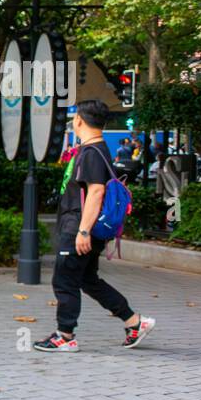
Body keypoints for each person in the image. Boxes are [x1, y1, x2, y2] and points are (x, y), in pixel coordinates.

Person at [34, 99, 154, 352]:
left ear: (79, 120)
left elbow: (96, 192)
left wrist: (83, 231)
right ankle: (134, 323)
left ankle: (65, 336)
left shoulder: (91, 153)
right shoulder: (97, 150)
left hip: (79, 228)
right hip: (83, 228)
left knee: (64, 280)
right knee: (88, 280)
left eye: (75, 116)